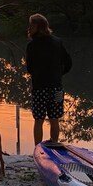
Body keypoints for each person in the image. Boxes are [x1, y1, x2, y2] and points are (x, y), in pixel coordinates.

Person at [25, 13, 72, 145]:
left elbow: (29, 69)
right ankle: (54, 144)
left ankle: (37, 148)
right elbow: (68, 63)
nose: (29, 28)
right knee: (54, 118)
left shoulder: (32, 46)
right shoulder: (58, 42)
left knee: (39, 120)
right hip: (57, 87)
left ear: (38, 27)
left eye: (31, 25)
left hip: (39, 88)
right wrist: (58, 74)